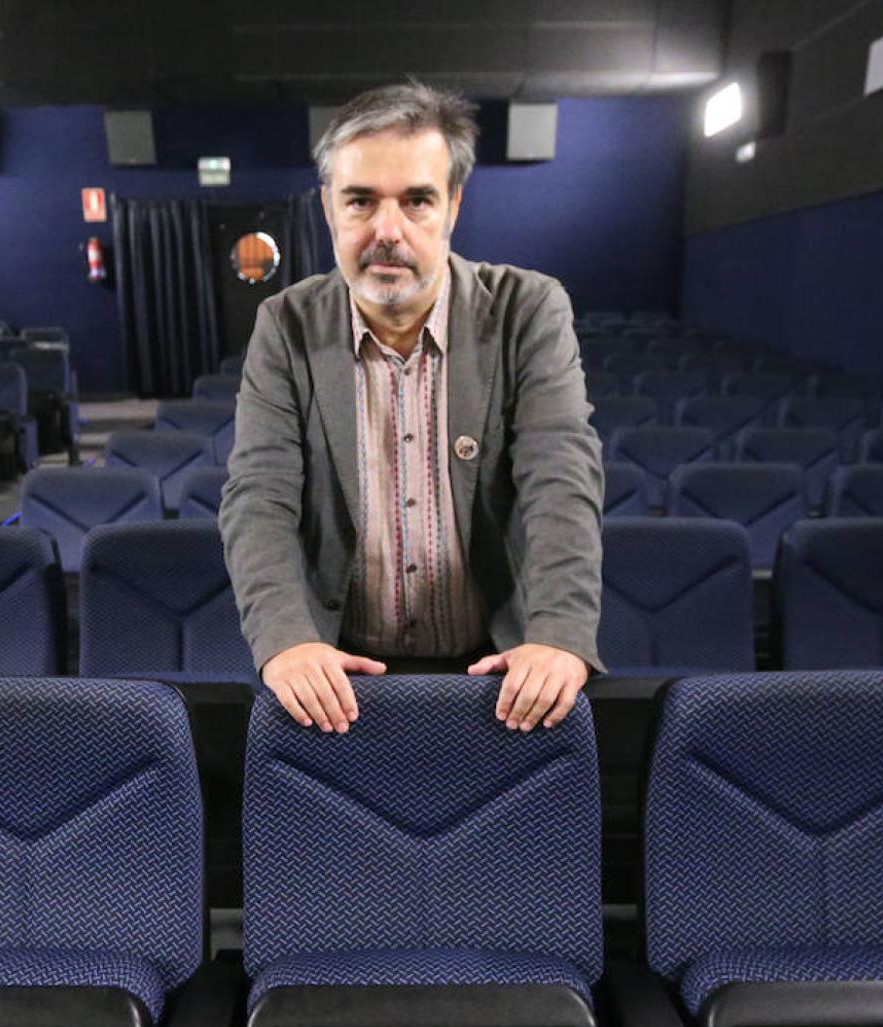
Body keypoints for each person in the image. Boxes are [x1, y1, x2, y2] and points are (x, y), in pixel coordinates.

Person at [219, 80, 604, 734]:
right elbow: (259, 496)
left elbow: (559, 476)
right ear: (327, 208)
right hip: (339, 680)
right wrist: (285, 638)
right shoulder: (284, 324)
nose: (386, 231)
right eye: (361, 201)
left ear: (453, 206)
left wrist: (561, 632)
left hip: (497, 677)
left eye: (417, 200)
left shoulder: (529, 309)